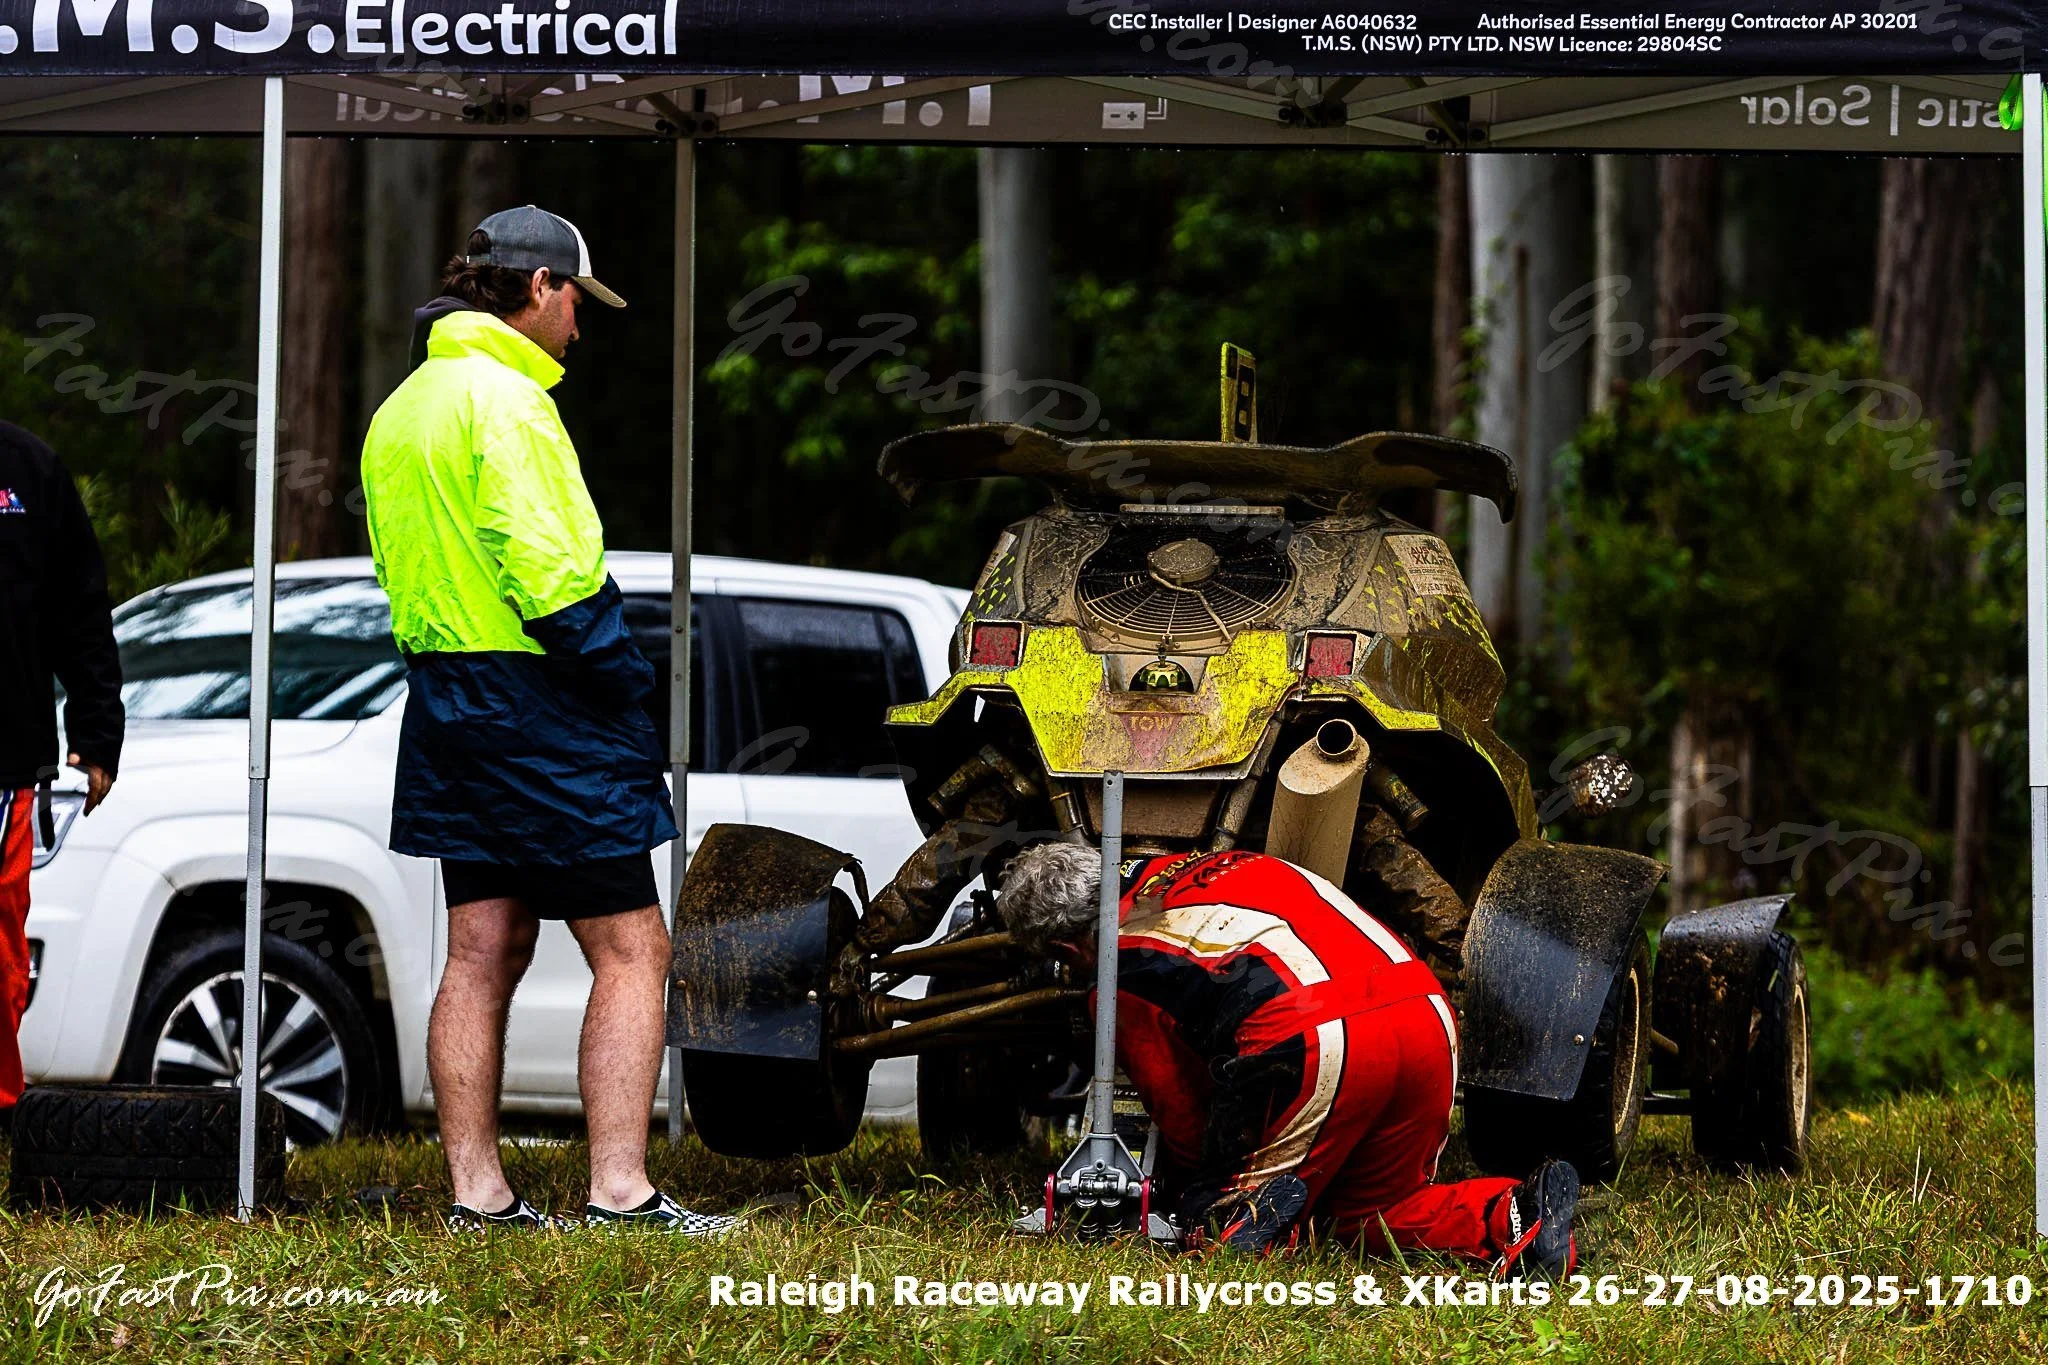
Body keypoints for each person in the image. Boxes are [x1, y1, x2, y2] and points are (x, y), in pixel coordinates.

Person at [361, 206, 730, 1237]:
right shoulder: (509, 403)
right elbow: (550, 572)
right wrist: (620, 676)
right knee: (633, 949)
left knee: (480, 947)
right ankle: (619, 1190)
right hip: (542, 697)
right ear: (537, 288)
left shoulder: (405, 407)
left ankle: (477, 1196)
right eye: (576, 301)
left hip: (443, 694)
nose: (581, 323)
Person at [998, 841, 1578, 1276]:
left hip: (1321, 1035)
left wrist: (1195, 1187)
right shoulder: (1233, 859)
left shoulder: (1116, 973)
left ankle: (1244, 1220)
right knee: (1369, 1213)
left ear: (1065, 948)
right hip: (1425, 1013)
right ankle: (1513, 1214)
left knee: (1213, 1226)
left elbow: (1182, 1113)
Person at [0, 420, 123, 1116]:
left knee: (1, 956)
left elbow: (80, 606)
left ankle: (1, 1105)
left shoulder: (29, 468)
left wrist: (97, 732)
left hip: (6, 762)